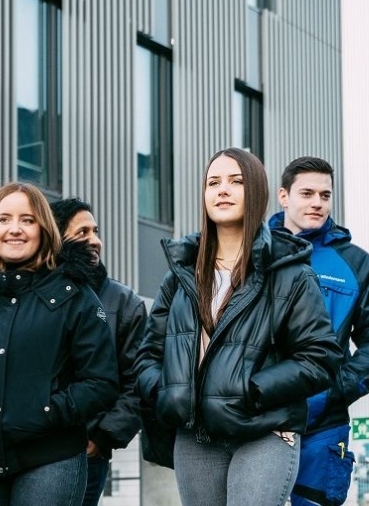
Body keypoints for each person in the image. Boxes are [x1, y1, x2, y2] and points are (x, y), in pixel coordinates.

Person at [136, 148, 339, 506]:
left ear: (256, 191)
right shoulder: (179, 276)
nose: (223, 190)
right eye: (213, 183)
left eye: (236, 181)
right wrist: (170, 392)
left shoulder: (291, 274)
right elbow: (147, 357)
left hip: (264, 429)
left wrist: (252, 390)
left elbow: (319, 358)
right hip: (196, 435)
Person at [0, 182, 119, 506]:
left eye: (27, 220)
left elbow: (100, 382)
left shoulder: (75, 297)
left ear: (44, 229)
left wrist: (47, 411)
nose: (15, 229)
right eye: (4, 219)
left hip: (52, 458)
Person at [267, 156, 369, 506]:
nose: (317, 203)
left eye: (325, 195)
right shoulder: (254, 255)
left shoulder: (356, 264)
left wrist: (338, 389)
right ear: (284, 196)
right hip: (257, 420)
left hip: (322, 425)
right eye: (307, 193)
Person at [48, 198, 148, 506]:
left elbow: (139, 383)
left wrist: (102, 438)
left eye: (96, 231)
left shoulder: (125, 302)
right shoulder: (34, 296)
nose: (95, 240)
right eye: (82, 233)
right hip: (28, 448)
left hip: (86, 452)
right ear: (55, 239)